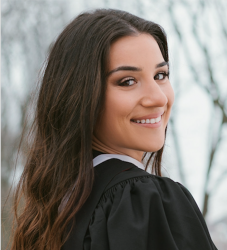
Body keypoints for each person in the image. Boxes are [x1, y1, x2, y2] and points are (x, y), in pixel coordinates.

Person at [11, 9, 218, 250]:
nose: (158, 98)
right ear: (82, 97)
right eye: (128, 81)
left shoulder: (52, 216)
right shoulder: (143, 200)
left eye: (161, 75)